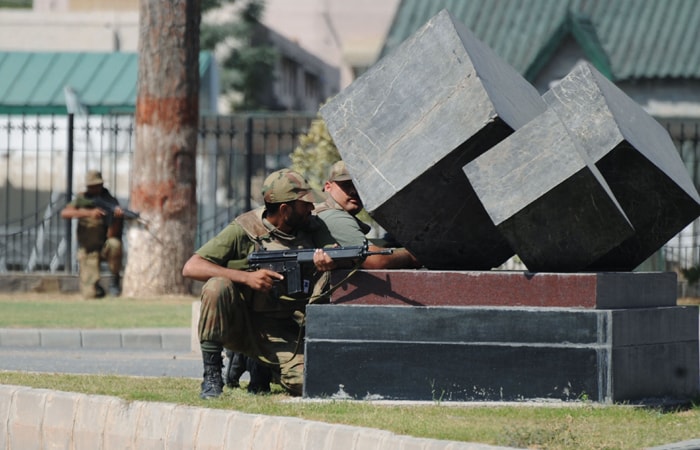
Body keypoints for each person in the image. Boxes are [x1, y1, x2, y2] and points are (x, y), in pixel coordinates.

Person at [182, 169, 338, 399]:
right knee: (217, 286)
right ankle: (212, 375)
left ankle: (263, 365)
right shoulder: (245, 229)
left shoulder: (312, 227)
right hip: (242, 322)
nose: (311, 208)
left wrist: (330, 261)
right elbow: (192, 267)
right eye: (304, 204)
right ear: (285, 209)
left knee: (310, 384)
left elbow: (337, 253)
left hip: (282, 330)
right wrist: (247, 278)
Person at [315, 160, 421, 269]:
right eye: (346, 185)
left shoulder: (322, 210)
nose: (354, 191)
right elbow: (375, 260)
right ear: (328, 187)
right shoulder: (334, 217)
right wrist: (412, 256)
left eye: (359, 186)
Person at [61, 170, 124, 298]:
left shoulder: (110, 201)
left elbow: (112, 234)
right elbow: (65, 213)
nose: (94, 189)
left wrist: (116, 219)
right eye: (91, 186)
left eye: (97, 185)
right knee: (89, 295)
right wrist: (88, 213)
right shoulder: (82, 198)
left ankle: (114, 279)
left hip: (104, 247)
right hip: (88, 249)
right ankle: (96, 287)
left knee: (115, 244)